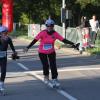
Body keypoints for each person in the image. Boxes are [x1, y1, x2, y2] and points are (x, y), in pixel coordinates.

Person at [24, 18, 78, 87]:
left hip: (51, 52)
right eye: (48, 25)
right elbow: (35, 40)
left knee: (53, 65)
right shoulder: (42, 32)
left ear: (53, 26)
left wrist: (73, 43)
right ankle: (46, 76)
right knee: (45, 65)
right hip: (42, 52)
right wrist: (27, 47)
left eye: (51, 25)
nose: (49, 27)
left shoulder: (55, 34)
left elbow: (63, 40)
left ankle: (54, 79)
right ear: (46, 26)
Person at [0, 26, 18, 92]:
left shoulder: (8, 39)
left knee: (3, 71)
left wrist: (14, 52)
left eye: (6, 32)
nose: (6, 34)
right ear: (1, 33)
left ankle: (1, 84)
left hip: (3, 57)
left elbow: (12, 46)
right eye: (4, 33)